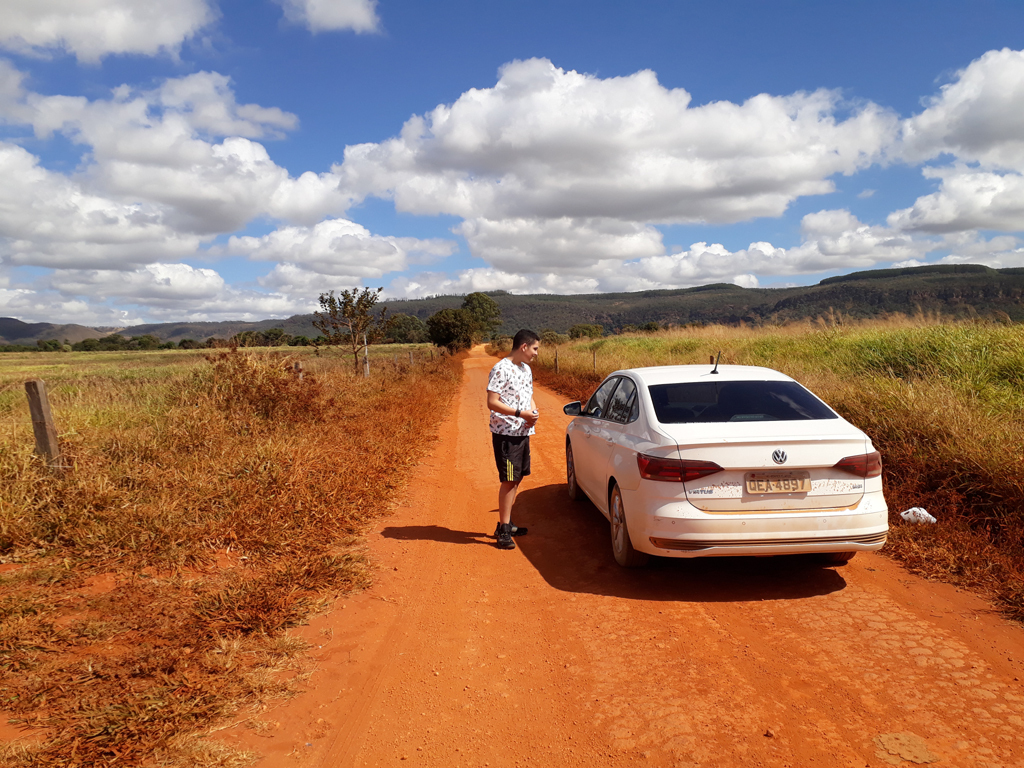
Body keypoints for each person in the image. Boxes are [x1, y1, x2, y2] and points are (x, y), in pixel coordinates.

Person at [486, 328, 540, 550]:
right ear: (524, 346)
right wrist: (520, 414)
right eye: (535, 348)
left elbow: (529, 395)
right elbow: (492, 402)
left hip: (522, 433)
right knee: (508, 480)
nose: (536, 353)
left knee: (517, 478)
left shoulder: (525, 369)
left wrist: (533, 413)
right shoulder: (501, 369)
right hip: (506, 434)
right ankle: (504, 529)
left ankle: (506, 523)